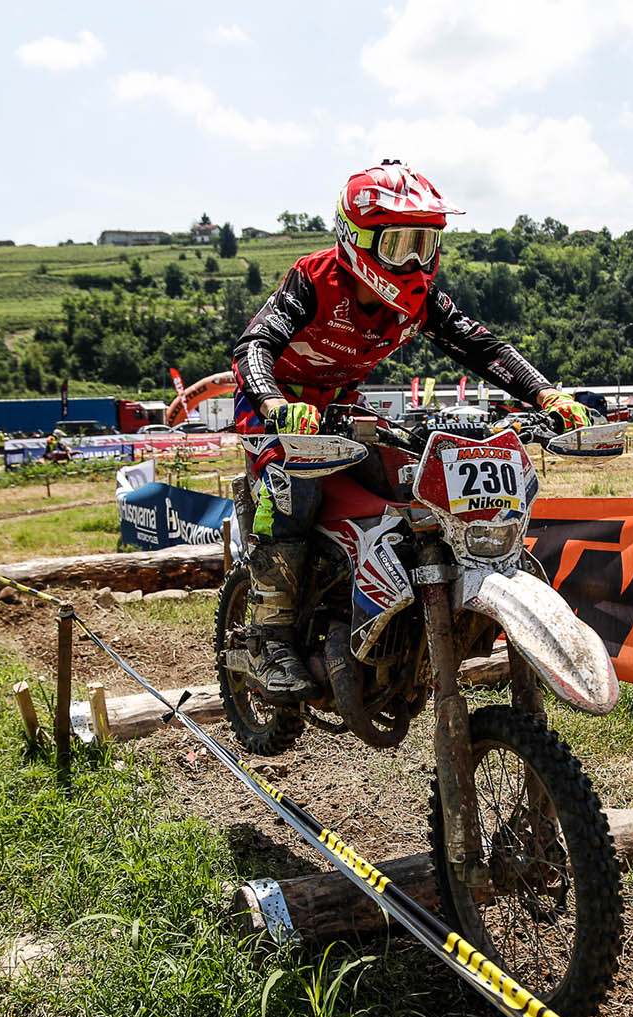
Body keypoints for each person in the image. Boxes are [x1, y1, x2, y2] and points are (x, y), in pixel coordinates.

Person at [230, 159, 590, 701]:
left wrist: (546, 394)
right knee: (294, 491)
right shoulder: (314, 280)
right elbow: (255, 345)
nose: (416, 262)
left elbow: (480, 346)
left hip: (340, 407)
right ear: (356, 240)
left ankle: (383, 601)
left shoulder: (419, 301)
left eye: (426, 243)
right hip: (273, 403)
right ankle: (269, 639)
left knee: (405, 479)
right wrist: (276, 403)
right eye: (400, 245)